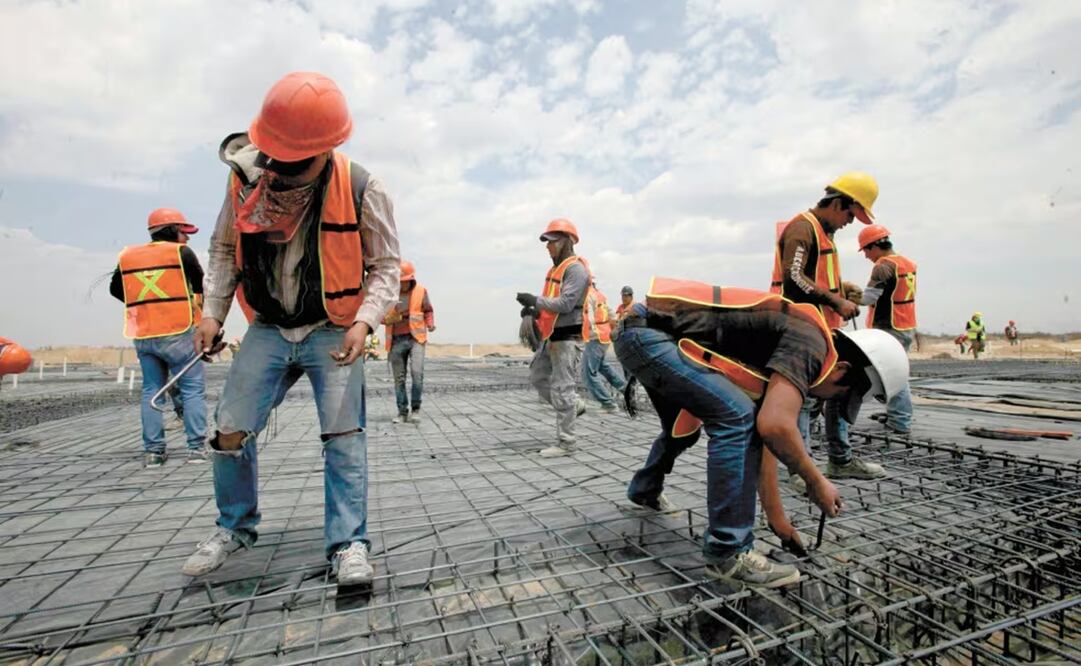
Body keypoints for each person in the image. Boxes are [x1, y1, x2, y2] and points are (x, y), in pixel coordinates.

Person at [181, 72, 400, 587]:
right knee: (229, 431)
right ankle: (235, 528)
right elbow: (219, 248)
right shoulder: (246, 179)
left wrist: (364, 322)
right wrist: (213, 312)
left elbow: (387, 266)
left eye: (295, 160)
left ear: (326, 149)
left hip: (332, 328)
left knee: (344, 437)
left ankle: (348, 544)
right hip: (269, 327)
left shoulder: (363, 187)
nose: (281, 170)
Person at [615, 277, 908, 587]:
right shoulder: (811, 344)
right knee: (734, 416)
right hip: (646, 335)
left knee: (685, 432)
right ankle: (728, 552)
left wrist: (779, 522)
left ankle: (645, 489)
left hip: (645, 333)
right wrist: (816, 481)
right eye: (837, 394)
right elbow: (776, 425)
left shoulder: (802, 341)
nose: (824, 399)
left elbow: (765, 436)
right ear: (843, 369)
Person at [769, 172, 886, 482]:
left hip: (823, 329)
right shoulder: (802, 228)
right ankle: (800, 469)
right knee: (806, 398)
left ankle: (840, 460)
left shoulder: (824, 232)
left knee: (839, 390)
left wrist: (841, 290)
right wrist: (835, 301)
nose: (851, 222)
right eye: (850, 213)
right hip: (802, 329)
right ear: (837, 203)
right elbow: (793, 278)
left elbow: (815, 276)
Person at [109, 208, 207, 468]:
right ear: (173, 230)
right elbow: (200, 287)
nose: (187, 239)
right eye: (184, 233)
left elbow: (116, 289)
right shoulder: (180, 253)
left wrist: (146, 306)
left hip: (144, 335)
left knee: (152, 391)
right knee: (192, 390)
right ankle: (196, 448)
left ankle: (153, 452)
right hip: (179, 332)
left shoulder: (128, 256)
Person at [516, 218, 589, 457]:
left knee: (563, 388)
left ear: (567, 241)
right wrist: (534, 311)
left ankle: (567, 443)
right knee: (538, 377)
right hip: (552, 337)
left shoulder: (575, 269)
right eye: (546, 243)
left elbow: (567, 303)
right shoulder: (554, 270)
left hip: (568, 339)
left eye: (552, 242)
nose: (548, 247)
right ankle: (573, 406)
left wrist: (535, 300)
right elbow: (551, 307)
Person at [857, 224, 917, 435]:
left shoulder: (883, 266)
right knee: (895, 373)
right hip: (906, 325)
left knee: (892, 375)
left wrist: (845, 296)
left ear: (875, 246)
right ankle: (897, 414)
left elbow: (869, 298)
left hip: (889, 329)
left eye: (865, 250)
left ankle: (900, 420)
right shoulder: (907, 263)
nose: (866, 255)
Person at [382, 259, 435, 423]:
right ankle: (402, 412)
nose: (403, 284)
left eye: (405, 281)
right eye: (400, 281)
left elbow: (428, 311)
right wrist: (390, 318)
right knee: (399, 378)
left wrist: (430, 323)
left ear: (411, 279)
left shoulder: (420, 291)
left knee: (417, 374)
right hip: (396, 341)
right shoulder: (389, 294)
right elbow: (380, 317)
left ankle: (416, 408)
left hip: (416, 339)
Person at [581, 273, 626, 412]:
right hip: (604, 336)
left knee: (588, 372)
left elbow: (588, 320)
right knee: (602, 366)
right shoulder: (599, 295)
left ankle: (609, 404)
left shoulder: (587, 296)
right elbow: (612, 314)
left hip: (596, 337)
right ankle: (626, 389)